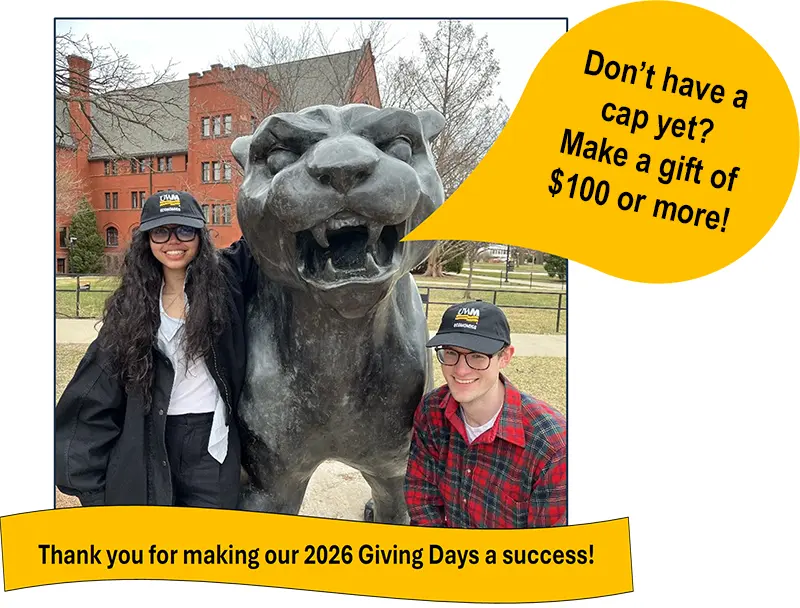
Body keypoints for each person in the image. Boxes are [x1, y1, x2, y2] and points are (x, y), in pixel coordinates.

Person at [56, 191, 257, 508]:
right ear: (147, 239)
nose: (173, 241)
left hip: (212, 446)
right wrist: (92, 491)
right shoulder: (132, 308)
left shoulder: (227, 281)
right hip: (153, 441)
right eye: (161, 231)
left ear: (200, 235)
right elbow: (92, 396)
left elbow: (265, 230)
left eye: (185, 230)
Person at [404, 300, 566, 528]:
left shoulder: (553, 448)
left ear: (505, 357)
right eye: (451, 353)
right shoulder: (432, 411)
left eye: (477, 356)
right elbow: (421, 500)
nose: (460, 370)